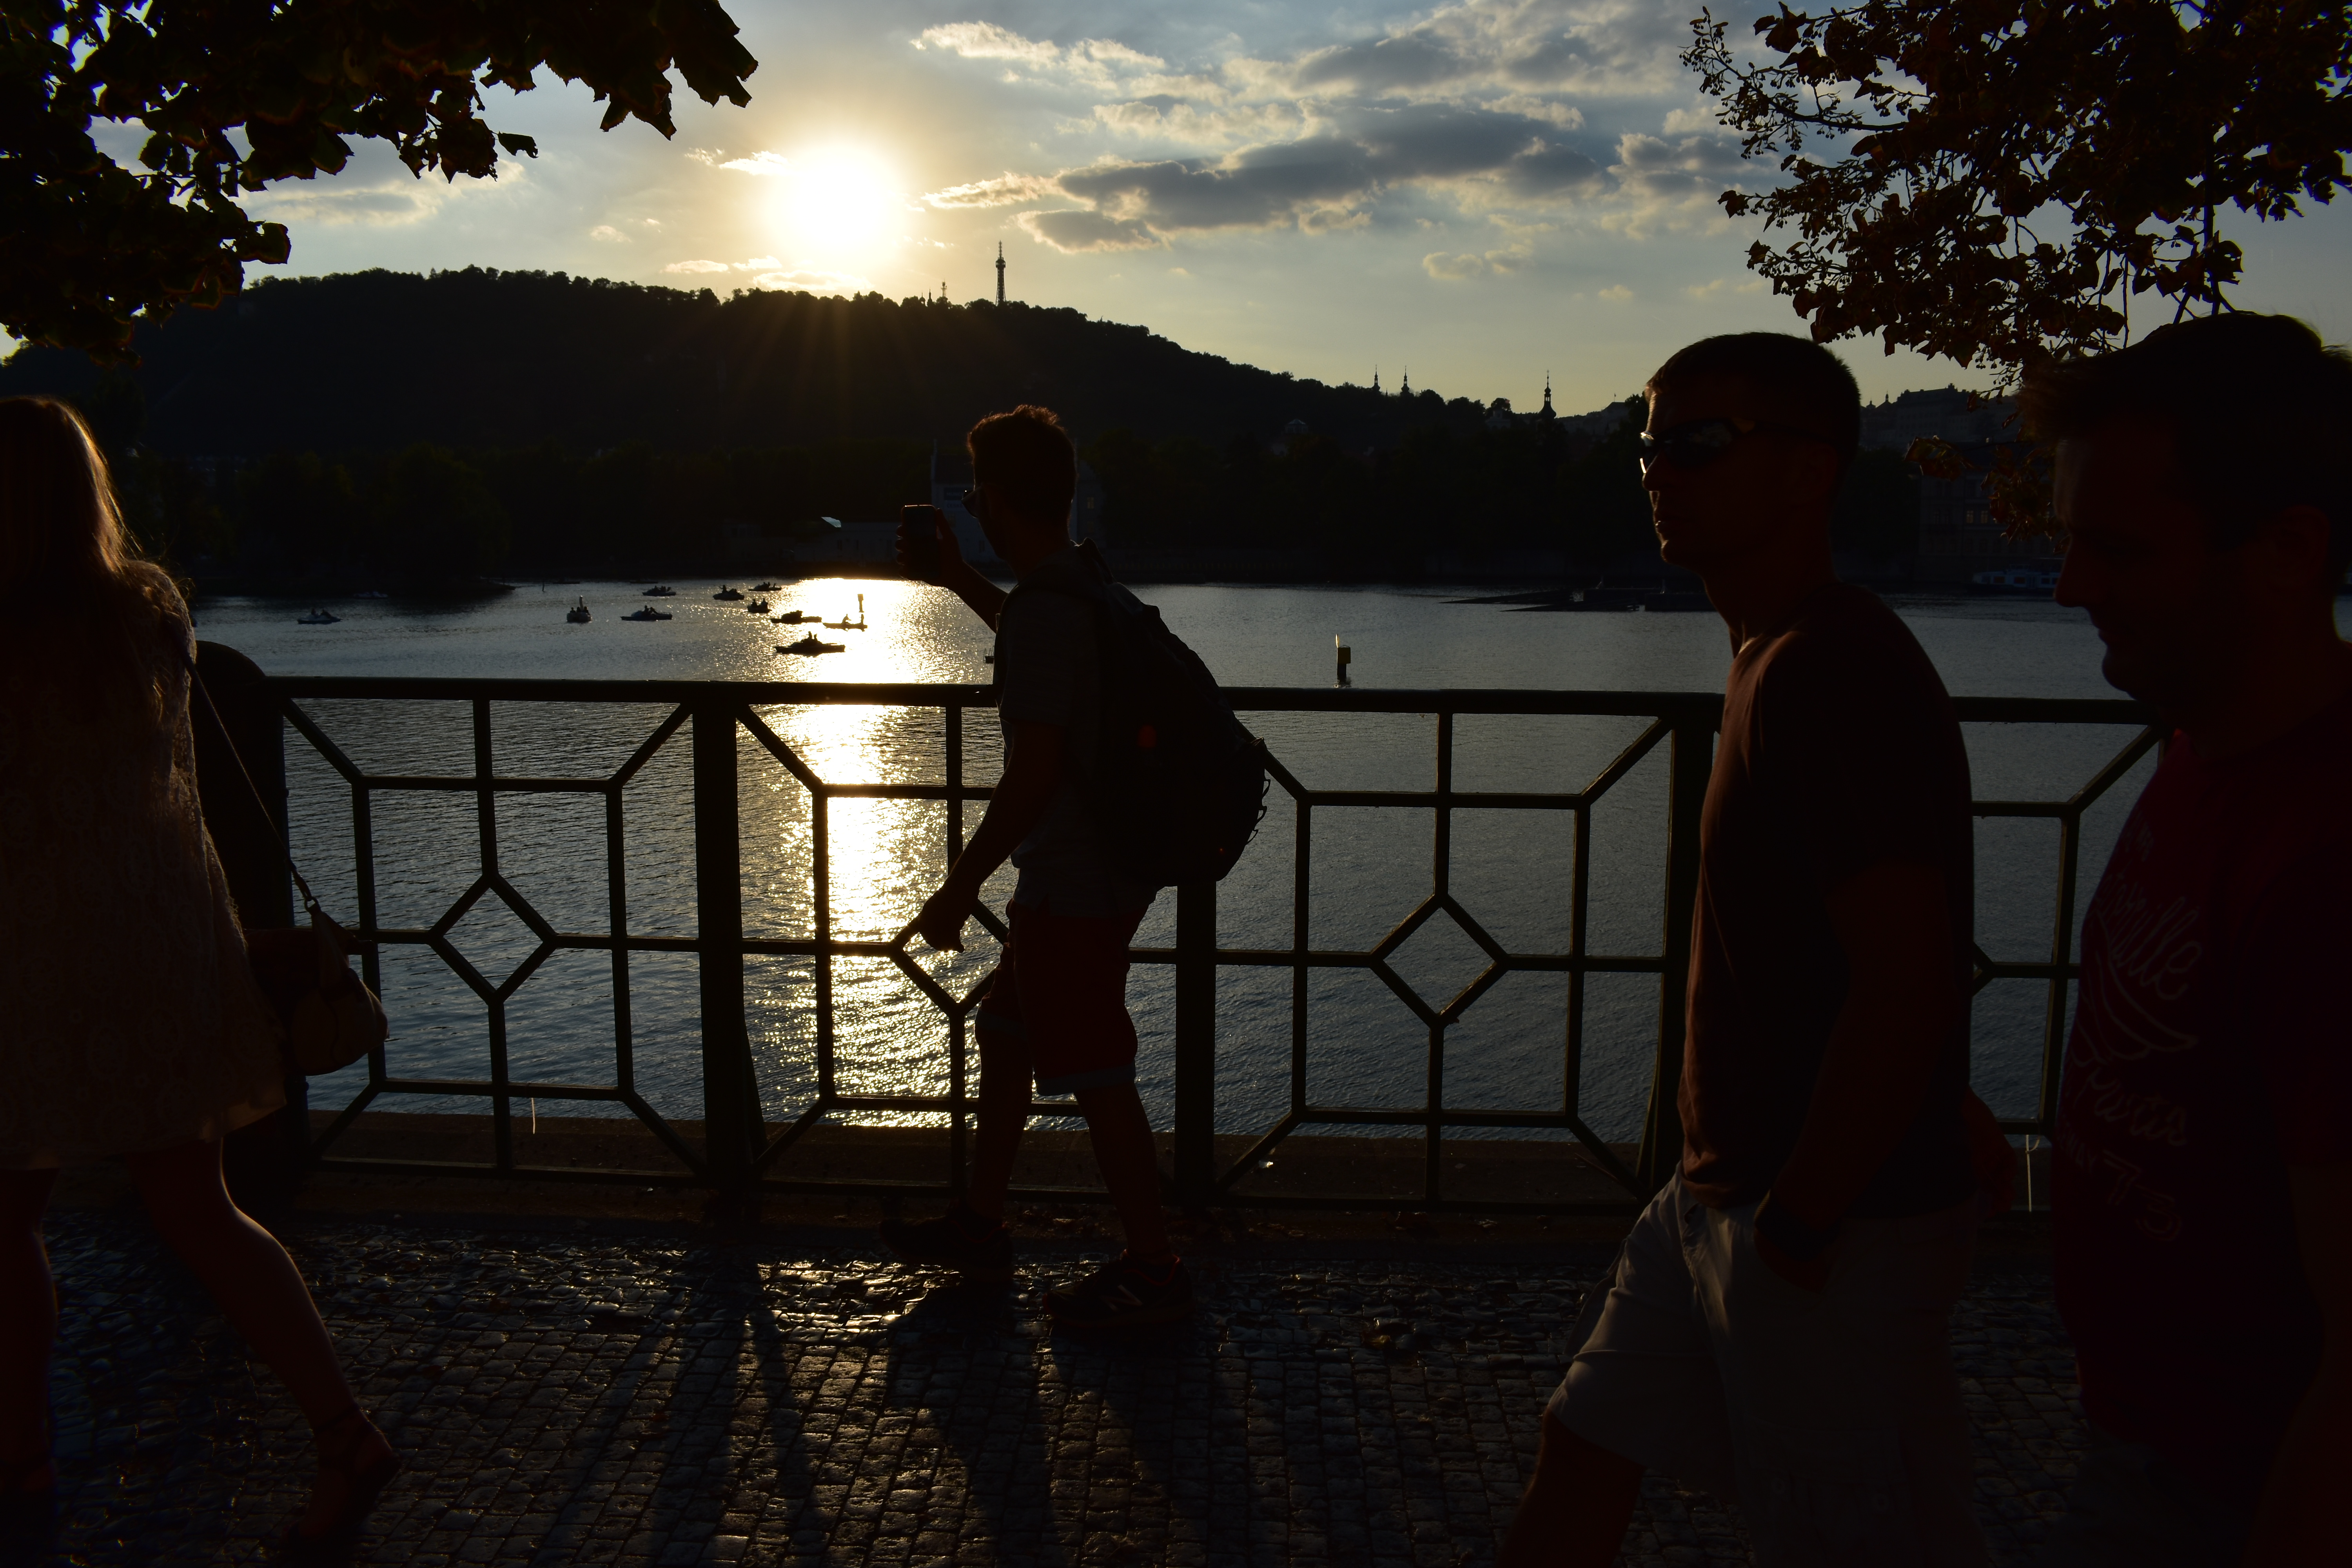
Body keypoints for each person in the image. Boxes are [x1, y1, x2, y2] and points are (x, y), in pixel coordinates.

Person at [1503, 334, 1992, 1567]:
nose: (1660, 471)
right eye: (1650, 447)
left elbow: (1908, 977)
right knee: (1583, 1448)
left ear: (1810, 470)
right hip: (1719, 1188)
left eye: (1700, 444)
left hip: (1824, 1221)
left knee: (1851, 1541)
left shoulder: (1830, 672)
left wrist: (1803, 1225)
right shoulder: (1771, 654)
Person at [0, 397, 399, 1564]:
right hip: (155, 948)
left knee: (7, 1220)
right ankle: (343, 1431)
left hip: (33, 961)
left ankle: (20, 1458)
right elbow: (165, 800)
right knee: (202, 1210)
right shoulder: (150, 611)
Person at [2025, 312, 2352, 1566]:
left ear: (2289, 550)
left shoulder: (2326, 857)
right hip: (2147, 1440)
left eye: (2116, 549)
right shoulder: (2210, 739)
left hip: (2232, 1486)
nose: (2071, 587)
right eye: (2068, 540)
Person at [879, 405, 1190, 1328]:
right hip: (1105, 862)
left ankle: (1154, 1268)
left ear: (1000, 499)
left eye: (977, 493)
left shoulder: (1055, 607)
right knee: (1008, 1027)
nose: (973, 507)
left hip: (1078, 878)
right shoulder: (1080, 583)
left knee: (1098, 1068)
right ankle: (981, 1222)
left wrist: (958, 885)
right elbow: (1031, 630)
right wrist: (957, 578)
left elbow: (1034, 773)